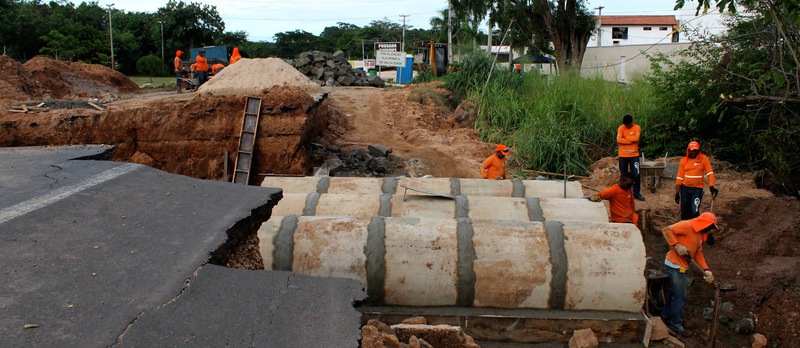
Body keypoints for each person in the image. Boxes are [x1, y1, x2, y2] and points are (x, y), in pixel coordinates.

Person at [660, 212, 718, 337]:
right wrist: (676, 246)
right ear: (704, 223)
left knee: (675, 293)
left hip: (682, 266)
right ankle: (675, 325)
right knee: (680, 297)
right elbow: (666, 230)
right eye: (710, 227)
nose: (710, 230)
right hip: (674, 265)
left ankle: (665, 314)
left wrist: (706, 269)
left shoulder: (699, 235)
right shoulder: (687, 225)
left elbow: (698, 254)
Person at [675, 141, 718, 220]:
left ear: (698, 150)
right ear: (688, 150)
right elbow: (679, 177)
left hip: (697, 189)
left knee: (694, 211)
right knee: (684, 211)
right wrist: (677, 193)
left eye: (695, 150)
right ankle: (686, 228)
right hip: (685, 189)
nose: (693, 152)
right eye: (691, 150)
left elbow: (710, 173)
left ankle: (696, 229)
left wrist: (711, 186)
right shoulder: (683, 161)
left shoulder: (703, 159)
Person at [617, 114, 646, 201]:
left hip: (634, 155)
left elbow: (636, 138)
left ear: (631, 122)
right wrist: (630, 140)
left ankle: (636, 193)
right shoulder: (621, 128)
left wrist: (625, 138)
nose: (626, 125)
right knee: (623, 175)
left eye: (627, 124)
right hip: (623, 155)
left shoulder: (637, 127)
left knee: (636, 174)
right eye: (625, 124)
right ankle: (623, 193)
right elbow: (619, 140)